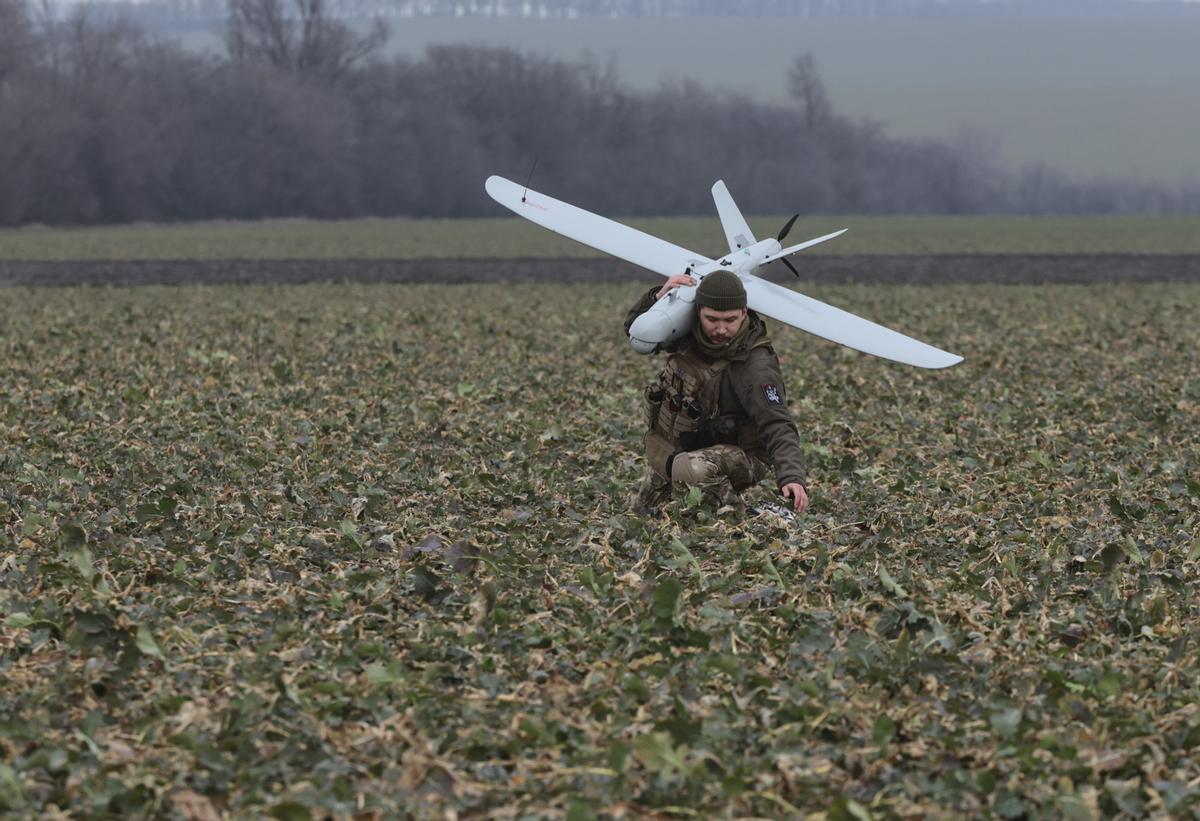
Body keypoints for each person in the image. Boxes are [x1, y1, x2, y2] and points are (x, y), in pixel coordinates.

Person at [624, 270, 810, 516]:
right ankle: (698, 496)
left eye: (730, 320)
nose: (721, 329)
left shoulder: (755, 367)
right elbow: (637, 333)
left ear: (744, 313)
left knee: (689, 469)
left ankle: (743, 516)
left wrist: (791, 477)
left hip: (744, 455)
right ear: (698, 311)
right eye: (712, 319)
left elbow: (777, 423)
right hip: (692, 445)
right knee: (642, 512)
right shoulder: (689, 335)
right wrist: (658, 297)